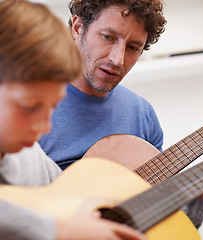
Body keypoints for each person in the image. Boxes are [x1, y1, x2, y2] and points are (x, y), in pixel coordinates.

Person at [38, 0, 203, 229]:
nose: (117, 60)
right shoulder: (26, 105)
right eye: (108, 37)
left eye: (133, 47)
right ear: (78, 28)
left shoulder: (142, 114)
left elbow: (165, 225)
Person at [0, 0, 145, 239]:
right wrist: (55, 229)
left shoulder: (31, 158)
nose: (44, 126)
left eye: (52, 107)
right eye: (30, 106)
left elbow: (74, 207)